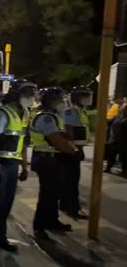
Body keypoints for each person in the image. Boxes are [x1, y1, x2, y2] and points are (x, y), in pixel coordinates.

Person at [0, 80, 37, 258]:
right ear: (16, 94)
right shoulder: (2, 112)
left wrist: (25, 167)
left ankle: (0, 238)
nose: (31, 98)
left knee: (6, 205)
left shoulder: (25, 113)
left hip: (13, 165)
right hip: (0, 164)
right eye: (27, 94)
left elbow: (24, 142)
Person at [30, 87, 78, 238]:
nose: (63, 103)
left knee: (53, 193)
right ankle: (40, 226)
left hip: (50, 159)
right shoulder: (46, 118)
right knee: (47, 194)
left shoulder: (53, 117)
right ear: (51, 101)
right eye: (59, 100)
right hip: (46, 160)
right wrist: (74, 152)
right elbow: (57, 141)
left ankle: (52, 221)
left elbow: (65, 135)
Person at [60, 86, 92, 219]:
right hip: (73, 150)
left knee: (70, 179)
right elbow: (69, 130)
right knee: (72, 180)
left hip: (77, 148)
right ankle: (72, 208)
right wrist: (74, 148)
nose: (88, 98)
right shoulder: (72, 111)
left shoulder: (81, 111)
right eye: (85, 96)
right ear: (77, 98)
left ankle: (65, 204)